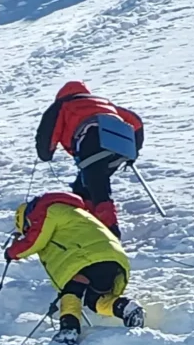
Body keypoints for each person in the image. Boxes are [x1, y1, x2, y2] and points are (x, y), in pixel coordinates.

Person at [5, 193, 142, 345]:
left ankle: (69, 328)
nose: (29, 231)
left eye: (26, 228)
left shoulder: (49, 211)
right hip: (112, 258)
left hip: (87, 255)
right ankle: (126, 308)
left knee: (73, 288)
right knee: (94, 300)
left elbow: (35, 240)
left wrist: (12, 252)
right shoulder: (75, 212)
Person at [34, 80, 145, 235]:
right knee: (86, 184)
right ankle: (89, 218)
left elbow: (47, 131)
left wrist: (46, 153)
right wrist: (134, 150)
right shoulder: (104, 102)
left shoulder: (63, 105)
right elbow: (136, 122)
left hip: (92, 140)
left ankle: (110, 230)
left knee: (97, 186)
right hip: (120, 146)